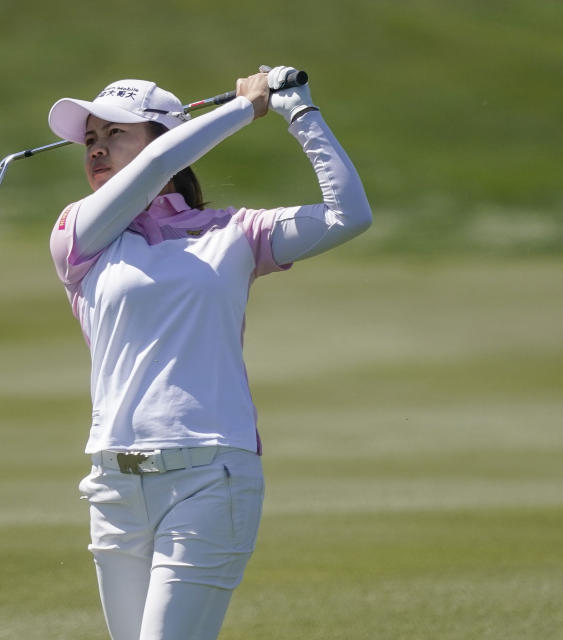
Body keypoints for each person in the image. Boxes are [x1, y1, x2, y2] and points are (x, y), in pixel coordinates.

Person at [46, 65, 372, 640]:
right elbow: (154, 168)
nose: (96, 148)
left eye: (116, 133)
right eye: (91, 138)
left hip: (210, 475)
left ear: (167, 136)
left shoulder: (235, 232)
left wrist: (300, 114)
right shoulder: (79, 234)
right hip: (113, 484)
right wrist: (245, 107)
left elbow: (349, 215)